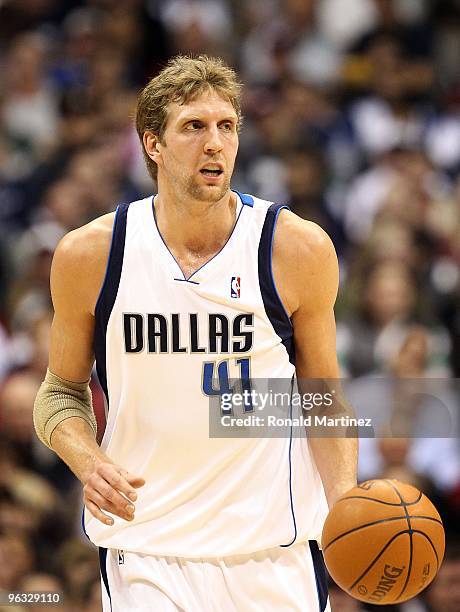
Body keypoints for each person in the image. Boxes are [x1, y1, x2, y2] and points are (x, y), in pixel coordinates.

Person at [33, 55, 357, 611]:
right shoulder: (91, 255)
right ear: (152, 144)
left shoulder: (296, 250)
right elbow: (58, 394)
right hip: (148, 551)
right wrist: (88, 461)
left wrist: (345, 501)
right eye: (194, 126)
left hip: (271, 553)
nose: (215, 143)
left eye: (226, 126)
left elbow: (321, 394)